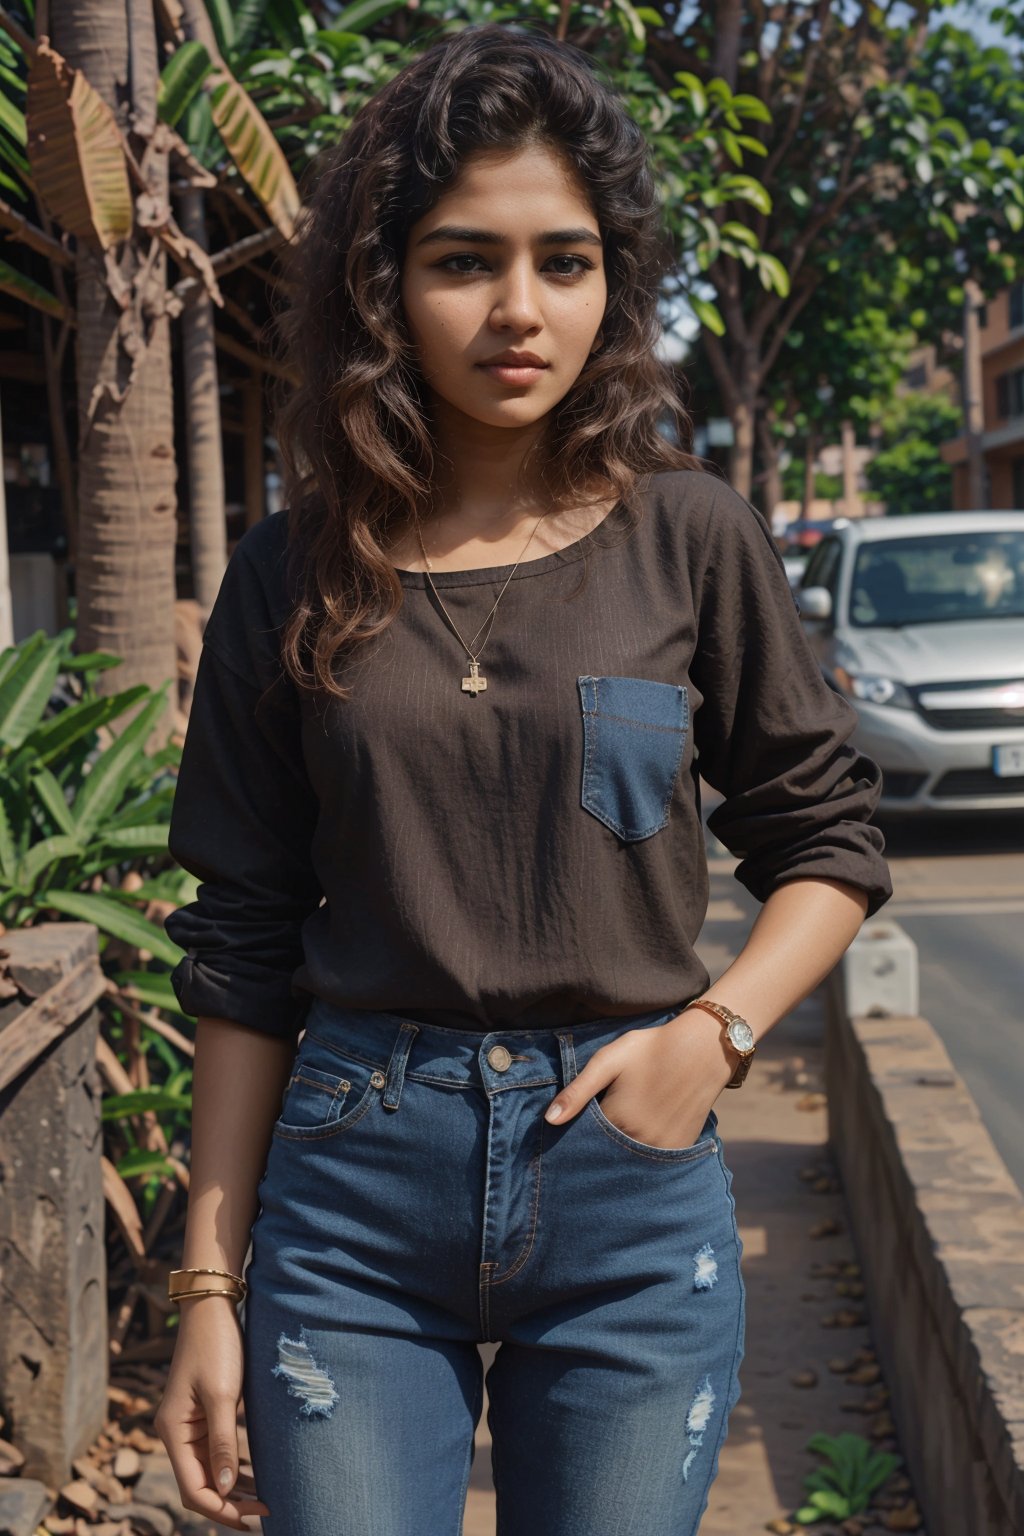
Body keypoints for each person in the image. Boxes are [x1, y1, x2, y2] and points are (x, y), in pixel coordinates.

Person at [154, 22, 892, 1536]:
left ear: (613, 281)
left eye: (565, 260)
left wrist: (714, 1034)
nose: (518, 309)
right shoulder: (291, 571)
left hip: (631, 1175)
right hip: (354, 1191)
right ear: (384, 288)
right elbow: (239, 945)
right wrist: (209, 1287)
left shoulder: (693, 536)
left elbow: (825, 842)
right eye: (461, 260)